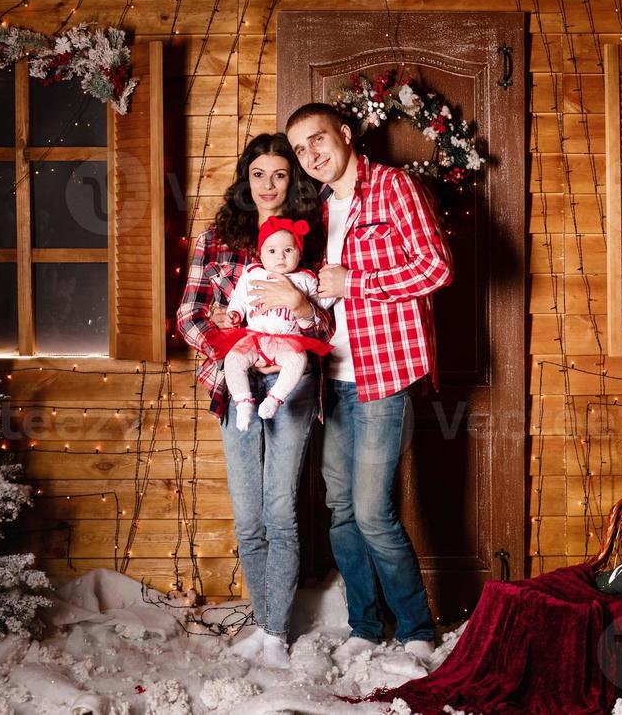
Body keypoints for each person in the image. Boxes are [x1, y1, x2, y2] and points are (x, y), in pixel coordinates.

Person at [285, 102, 453, 665]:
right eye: (300, 149)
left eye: (317, 140)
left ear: (345, 134)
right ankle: (364, 622)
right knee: (339, 509)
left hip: (384, 373)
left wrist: (357, 280)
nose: (311, 155)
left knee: (372, 511)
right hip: (332, 379)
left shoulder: (393, 188)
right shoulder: (318, 210)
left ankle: (416, 627)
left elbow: (436, 267)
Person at [175, 134, 331, 670]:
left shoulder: (314, 241)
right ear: (246, 179)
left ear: (294, 181)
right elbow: (189, 317)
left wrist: (299, 308)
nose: (269, 185)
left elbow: (329, 322)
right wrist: (232, 339)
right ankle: (266, 626)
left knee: (280, 509)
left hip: (291, 383)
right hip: (233, 384)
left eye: (280, 174)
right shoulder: (215, 239)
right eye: (259, 174)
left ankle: (275, 633)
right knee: (248, 516)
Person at [211, 217, 336, 431]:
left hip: (287, 342)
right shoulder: (252, 273)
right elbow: (240, 300)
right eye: (272, 251)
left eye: (288, 250)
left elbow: (321, 302)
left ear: (299, 252)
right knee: (233, 359)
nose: (280, 256)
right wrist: (233, 313)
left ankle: (275, 398)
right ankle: (243, 402)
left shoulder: (305, 279)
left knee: (299, 359)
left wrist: (333, 289)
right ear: (260, 253)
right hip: (255, 337)